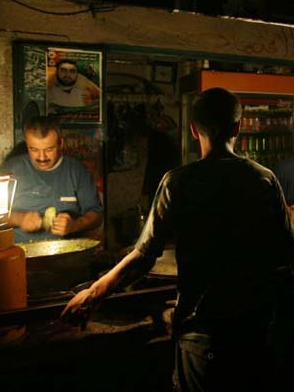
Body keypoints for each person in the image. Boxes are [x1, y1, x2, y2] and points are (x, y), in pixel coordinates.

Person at [61, 88, 294, 392]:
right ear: (237, 127)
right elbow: (285, 253)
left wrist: (94, 293)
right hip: (255, 329)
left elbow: (143, 257)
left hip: (202, 334)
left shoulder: (178, 181)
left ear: (194, 129)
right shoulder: (264, 178)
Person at [1, 116, 103, 243]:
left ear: (61, 143)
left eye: (49, 149)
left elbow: (97, 215)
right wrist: (19, 219)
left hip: (65, 254)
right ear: (26, 143)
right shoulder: (11, 168)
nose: (42, 157)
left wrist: (74, 225)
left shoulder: (76, 170)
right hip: (19, 255)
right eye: (34, 149)